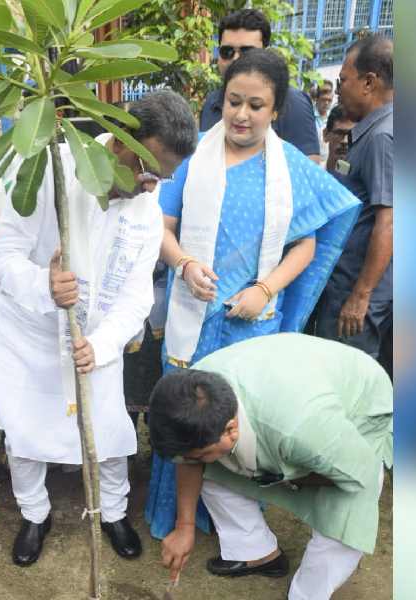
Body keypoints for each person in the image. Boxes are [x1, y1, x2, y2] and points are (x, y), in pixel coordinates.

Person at [145, 49, 362, 540]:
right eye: (233, 101)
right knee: (185, 413)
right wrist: (184, 264)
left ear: (276, 110)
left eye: (256, 105)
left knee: (240, 422)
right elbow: (161, 225)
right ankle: (178, 517)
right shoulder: (193, 155)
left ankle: (234, 525)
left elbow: (307, 245)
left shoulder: (291, 167)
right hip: (192, 315)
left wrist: (264, 289)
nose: (241, 114)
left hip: (253, 322)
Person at [0, 90, 198, 567]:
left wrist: (101, 344)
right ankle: (35, 514)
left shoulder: (146, 208)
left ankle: (112, 511)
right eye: (147, 170)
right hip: (26, 335)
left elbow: (137, 295)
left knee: (109, 428)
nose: (151, 186)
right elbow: (1, 255)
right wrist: (43, 284)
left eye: (163, 177)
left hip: (94, 340)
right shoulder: (49, 170)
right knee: (24, 429)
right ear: (119, 143)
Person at [151, 333, 392, 600]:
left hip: (360, 405)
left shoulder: (302, 430)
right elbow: (188, 459)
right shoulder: (190, 400)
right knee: (210, 469)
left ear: (230, 429)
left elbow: (361, 473)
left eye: (196, 456)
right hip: (293, 381)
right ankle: (255, 551)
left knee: (343, 527)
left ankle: (306, 595)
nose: (190, 461)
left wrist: (288, 478)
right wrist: (184, 526)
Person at [314, 35, 393, 368]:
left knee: (346, 379)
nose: (339, 90)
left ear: (368, 82)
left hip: (356, 297)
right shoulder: (372, 132)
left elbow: (390, 220)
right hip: (346, 286)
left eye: (342, 81)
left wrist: (360, 296)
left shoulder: (382, 137)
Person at [200, 9, 321, 163]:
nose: (236, 59)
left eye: (247, 52)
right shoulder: (212, 102)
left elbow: (307, 168)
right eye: (227, 51)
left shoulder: (292, 102)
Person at [323, 104, 355, 174]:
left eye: (351, 135)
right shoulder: (311, 173)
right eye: (339, 133)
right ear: (326, 134)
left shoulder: (363, 179)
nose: (345, 141)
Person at [313, 81, 334, 165]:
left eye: (329, 100)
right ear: (317, 98)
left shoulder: (333, 117)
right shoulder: (309, 115)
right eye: (324, 100)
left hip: (327, 162)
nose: (326, 103)